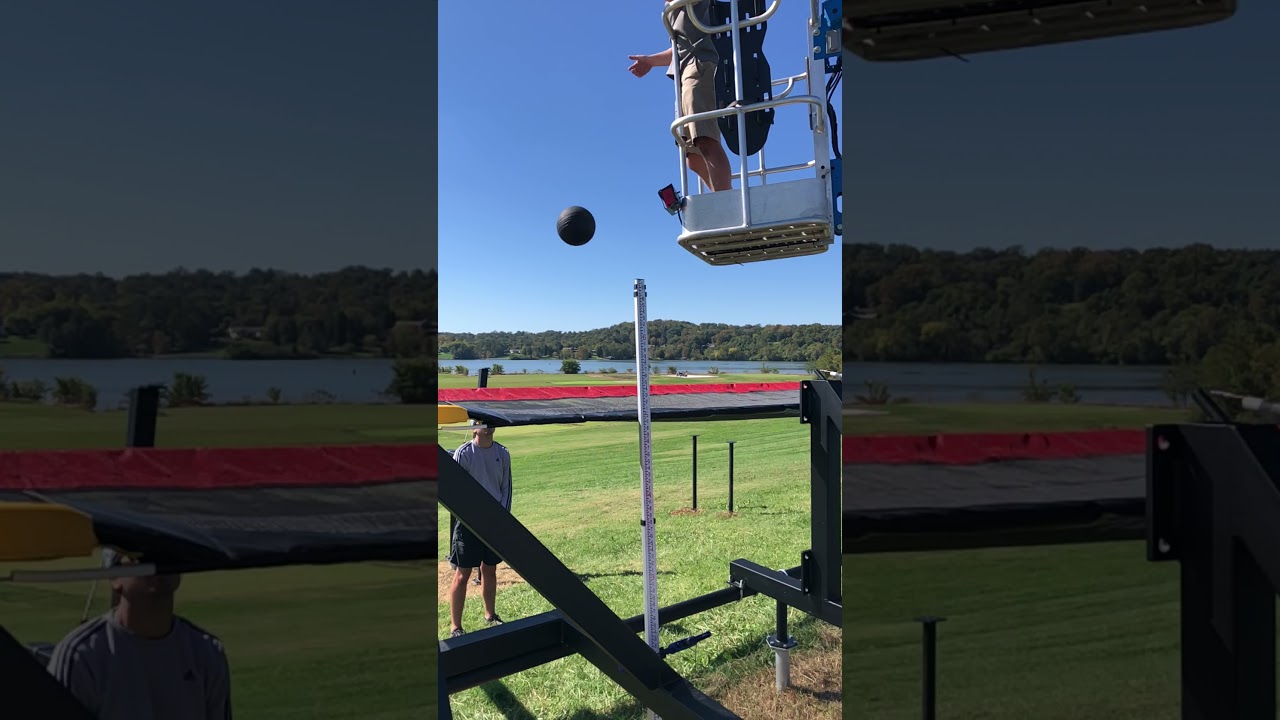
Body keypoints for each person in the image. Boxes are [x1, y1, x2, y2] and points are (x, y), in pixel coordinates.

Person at [46, 549, 232, 720]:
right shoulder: (80, 657)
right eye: (141, 556)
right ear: (115, 578)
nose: (159, 562)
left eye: (168, 552)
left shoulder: (207, 652)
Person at [629, 0, 733, 192]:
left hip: (700, 66)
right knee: (692, 156)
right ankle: (723, 198)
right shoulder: (671, 8)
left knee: (705, 139)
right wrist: (650, 61)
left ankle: (726, 200)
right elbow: (678, 49)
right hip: (684, 74)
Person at [448, 421, 513, 638]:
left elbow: (506, 489)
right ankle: (456, 627)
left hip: (494, 522)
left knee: (490, 570)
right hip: (468, 524)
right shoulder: (464, 453)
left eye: (490, 421)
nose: (488, 426)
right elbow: (456, 490)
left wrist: (501, 518)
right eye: (481, 422)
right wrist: (471, 517)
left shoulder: (503, 453)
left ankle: (490, 615)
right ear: (474, 428)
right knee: (463, 573)